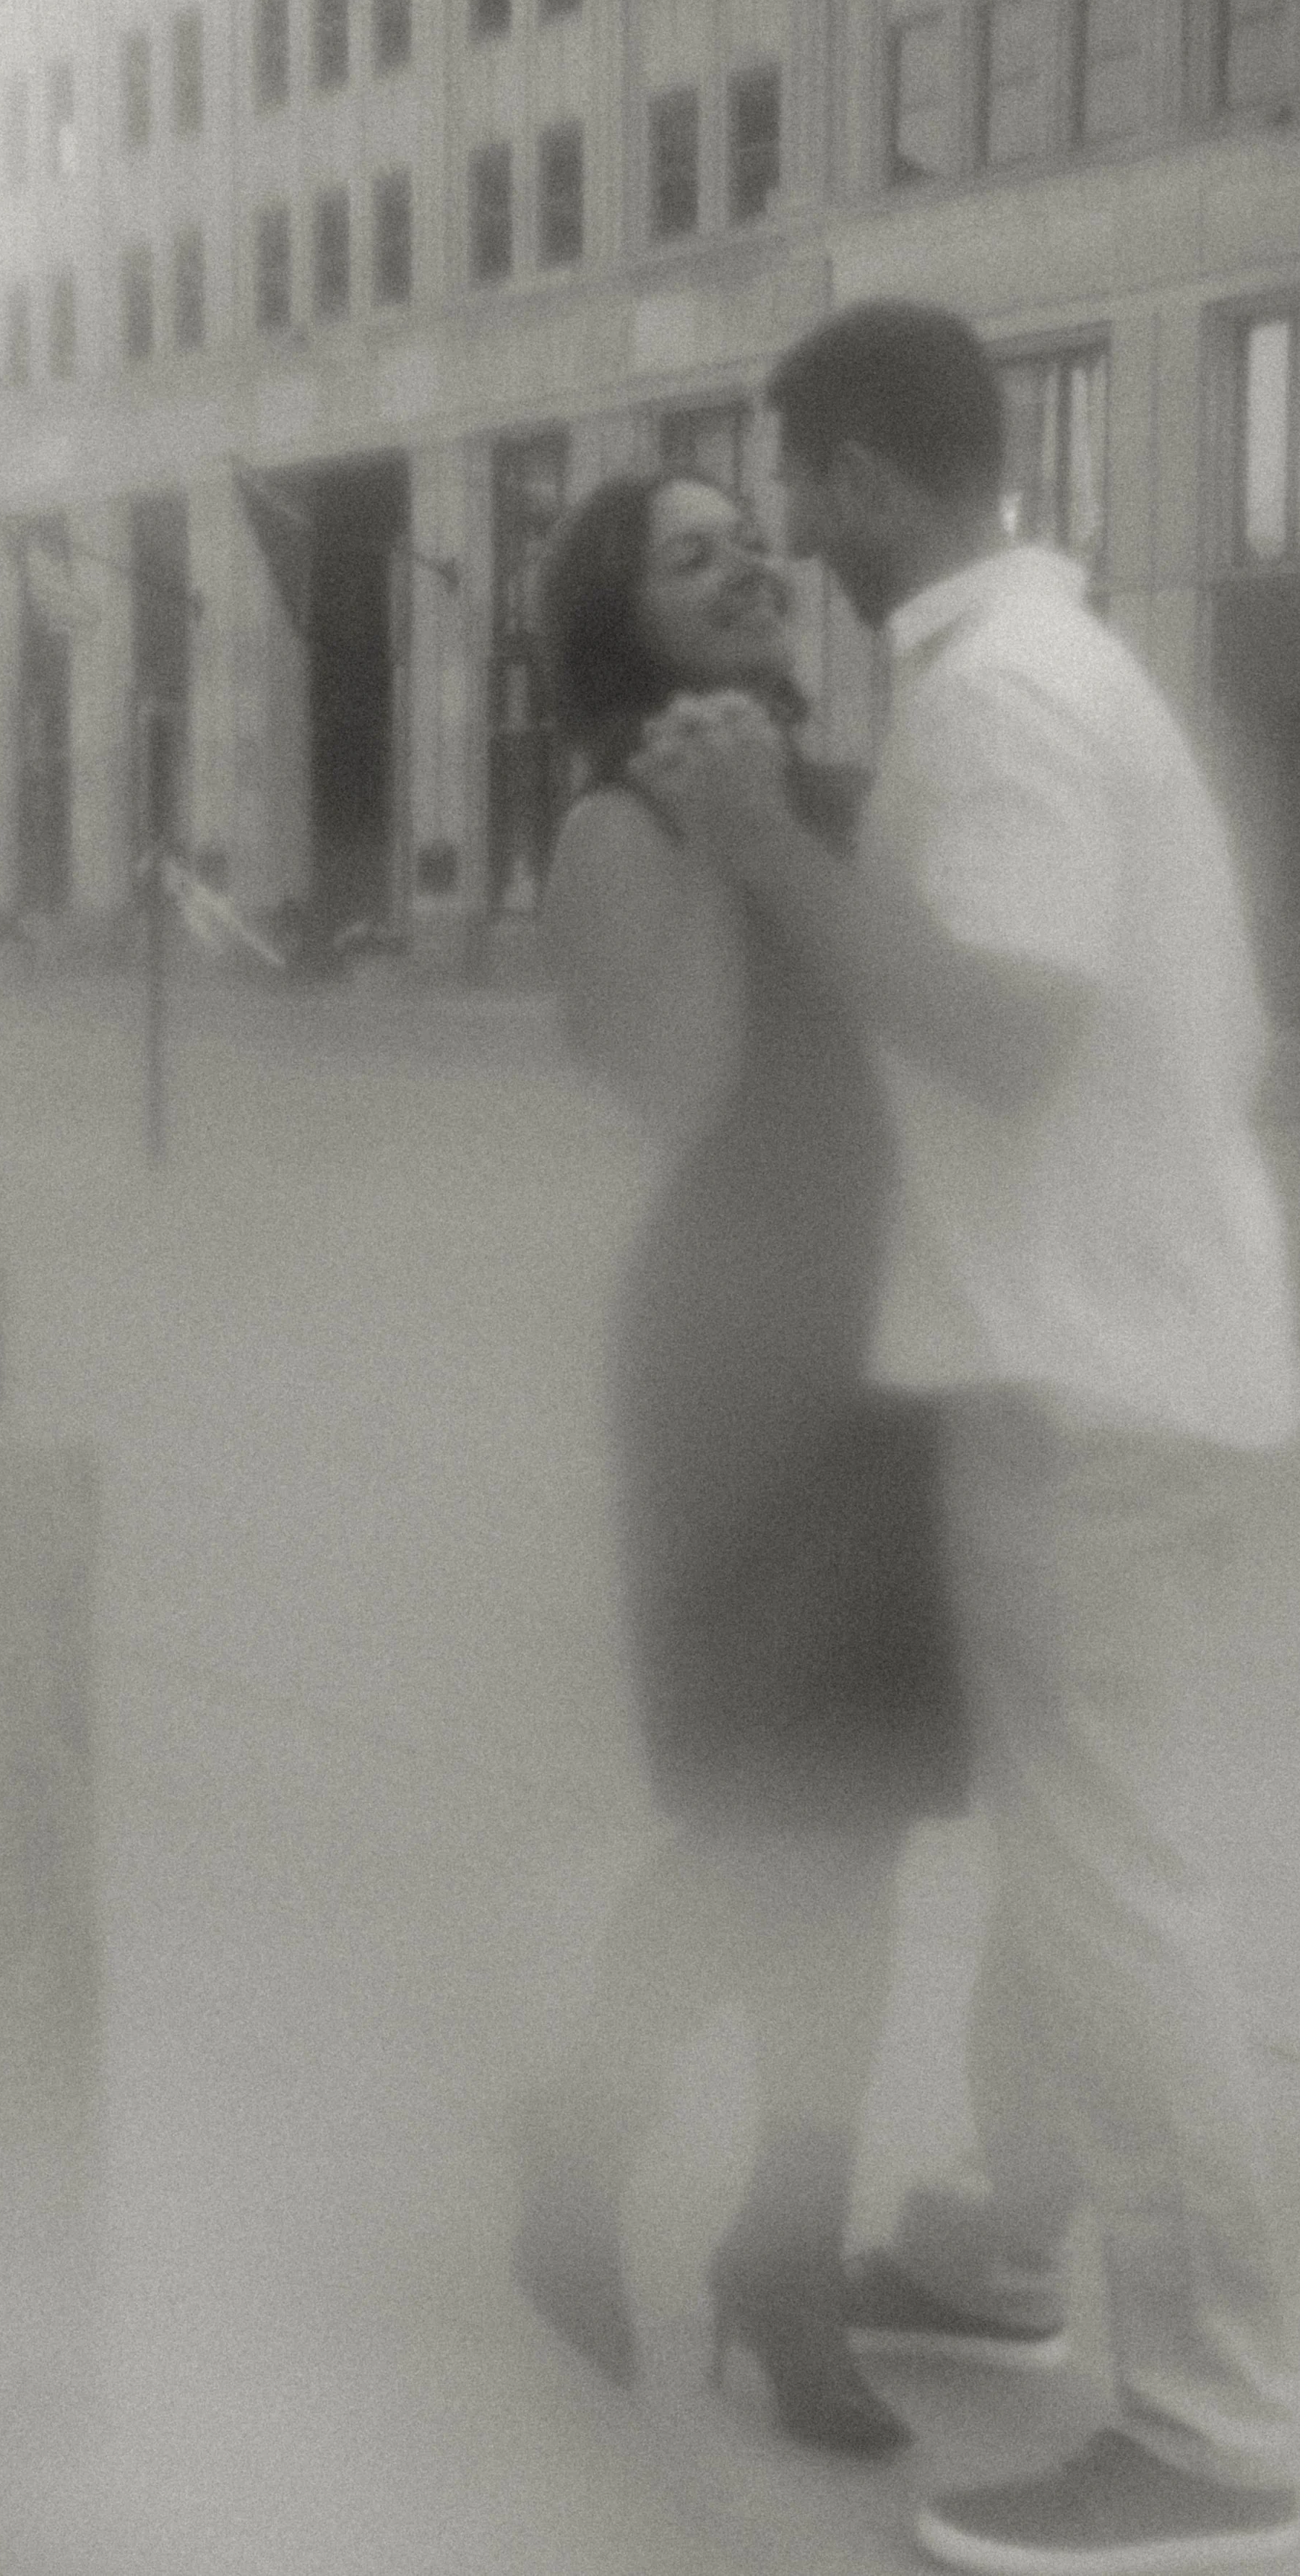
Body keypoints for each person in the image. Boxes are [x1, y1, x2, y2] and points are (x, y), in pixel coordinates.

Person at [632, 302, 1300, 2575]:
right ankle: (1006, 2244)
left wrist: (757, 842)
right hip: (1128, 1354)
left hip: (1088, 1381)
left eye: (795, 483)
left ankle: (1212, 2429)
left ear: (860, 480)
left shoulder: (1006, 697)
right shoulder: (1041, 669)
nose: (788, 529)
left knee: (1114, 1895)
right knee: (1070, 1860)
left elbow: (1008, 1028)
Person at [516, 468, 968, 2460]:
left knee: (863, 1826)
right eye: (690, 557)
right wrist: (723, 836)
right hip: (730, 1373)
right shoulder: (615, 829)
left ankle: (788, 2249)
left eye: (747, 541)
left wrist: (783, 820)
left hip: (885, 1346)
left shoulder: (827, 790)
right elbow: (687, 1086)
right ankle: (583, 2141)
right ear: (620, 628)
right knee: (762, 1825)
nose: (751, 567)